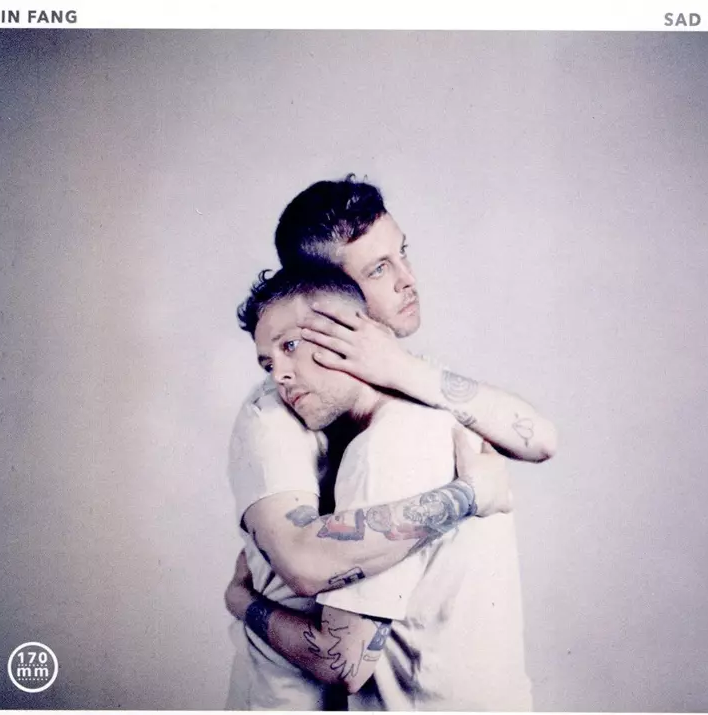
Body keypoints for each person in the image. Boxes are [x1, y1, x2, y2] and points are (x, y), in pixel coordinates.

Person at [225, 176, 557, 709]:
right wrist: (471, 495)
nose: (409, 280)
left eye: (403, 254)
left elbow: (541, 439)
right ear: (329, 297)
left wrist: (241, 602)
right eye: (380, 269)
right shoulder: (276, 413)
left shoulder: (401, 409)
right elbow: (303, 562)